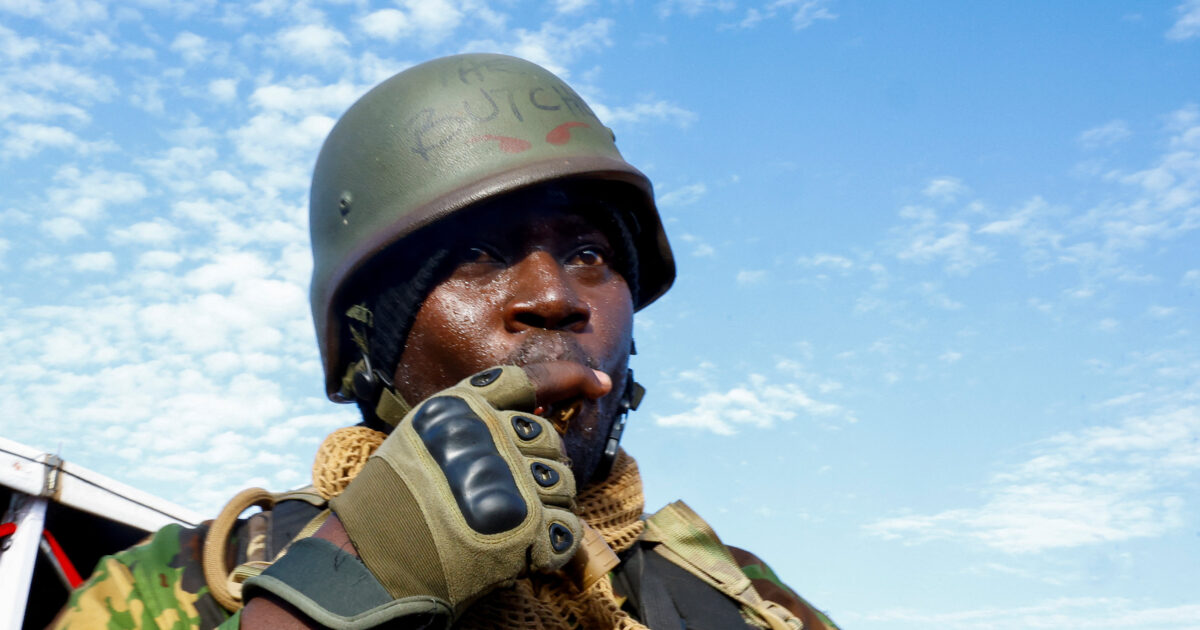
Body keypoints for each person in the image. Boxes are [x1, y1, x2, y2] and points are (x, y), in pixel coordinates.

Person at [52, 53, 840, 630]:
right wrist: (352, 577)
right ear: (370, 341)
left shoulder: (747, 602)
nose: (554, 298)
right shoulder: (191, 582)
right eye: (478, 255)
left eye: (590, 255)